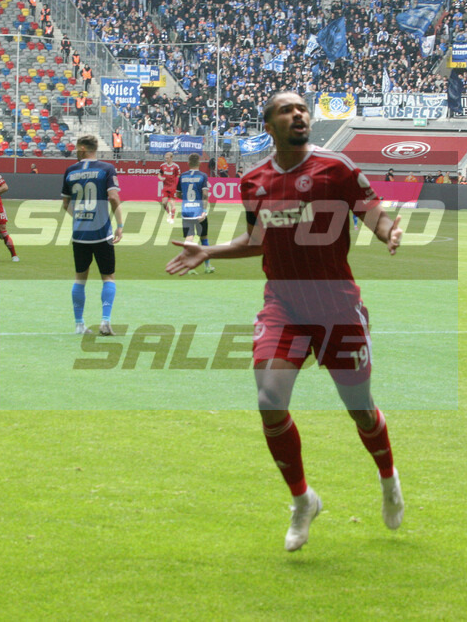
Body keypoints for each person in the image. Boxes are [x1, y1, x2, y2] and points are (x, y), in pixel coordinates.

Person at [165, 92, 405, 552]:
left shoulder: (337, 168)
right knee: (269, 400)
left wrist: (387, 229)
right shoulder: (253, 180)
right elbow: (259, 239)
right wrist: (210, 250)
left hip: (337, 307)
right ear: (269, 125)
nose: (298, 114)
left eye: (302, 109)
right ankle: (302, 500)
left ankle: (389, 478)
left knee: (359, 408)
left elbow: (371, 214)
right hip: (283, 308)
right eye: (286, 110)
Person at [61, 135, 123, 336]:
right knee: (108, 277)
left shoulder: (70, 171)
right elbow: (113, 197)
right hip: (101, 233)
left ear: (82, 148)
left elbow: (65, 205)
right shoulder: (106, 169)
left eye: (76, 148)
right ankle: (105, 322)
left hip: (80, 234)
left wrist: (80, 217)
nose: (74, 151)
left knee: (80, 278)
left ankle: (79, 325)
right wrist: (120, 225)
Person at [176, 153, 213, 274]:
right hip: (199, 211)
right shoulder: (203, 176)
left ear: (188, 163)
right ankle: (207, 266)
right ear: (199, 163)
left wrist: (186, 198)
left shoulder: (183, 176)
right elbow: (205, 195)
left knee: (189, 237)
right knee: (204, 238)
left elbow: (178, 194)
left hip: (186, 210)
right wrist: (204, 211)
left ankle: (188, 267)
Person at [158, 152, 180, 224]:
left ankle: (172, 219)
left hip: (172, 187)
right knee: (164, 203)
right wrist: (161, 178)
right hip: (165, 187)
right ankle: (169, 213)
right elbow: (159, 174)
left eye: (167, 158)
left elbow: (178, 176)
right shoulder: (162, 166)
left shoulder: (175, 167)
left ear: (171, 158)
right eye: (165, 158)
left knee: (172, 203)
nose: (166, 159)